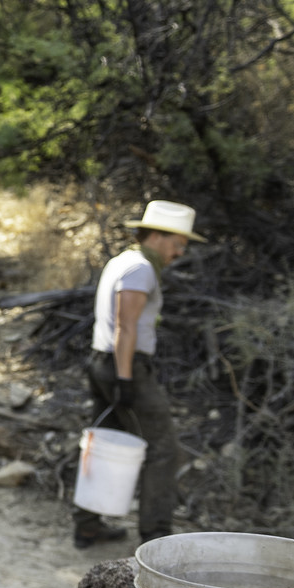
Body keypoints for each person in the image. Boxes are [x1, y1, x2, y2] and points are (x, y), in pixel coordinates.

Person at [75, 201, 203, 549]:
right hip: (123, 365)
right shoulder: (141, 268)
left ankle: (87, 526)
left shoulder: (123, 261)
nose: (180, 252)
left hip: (105, 361)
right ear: (158, 236)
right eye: (178, 243)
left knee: (105, 437)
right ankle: (156, 535)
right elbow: (126, 327)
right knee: (163, 448)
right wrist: (127, 378)